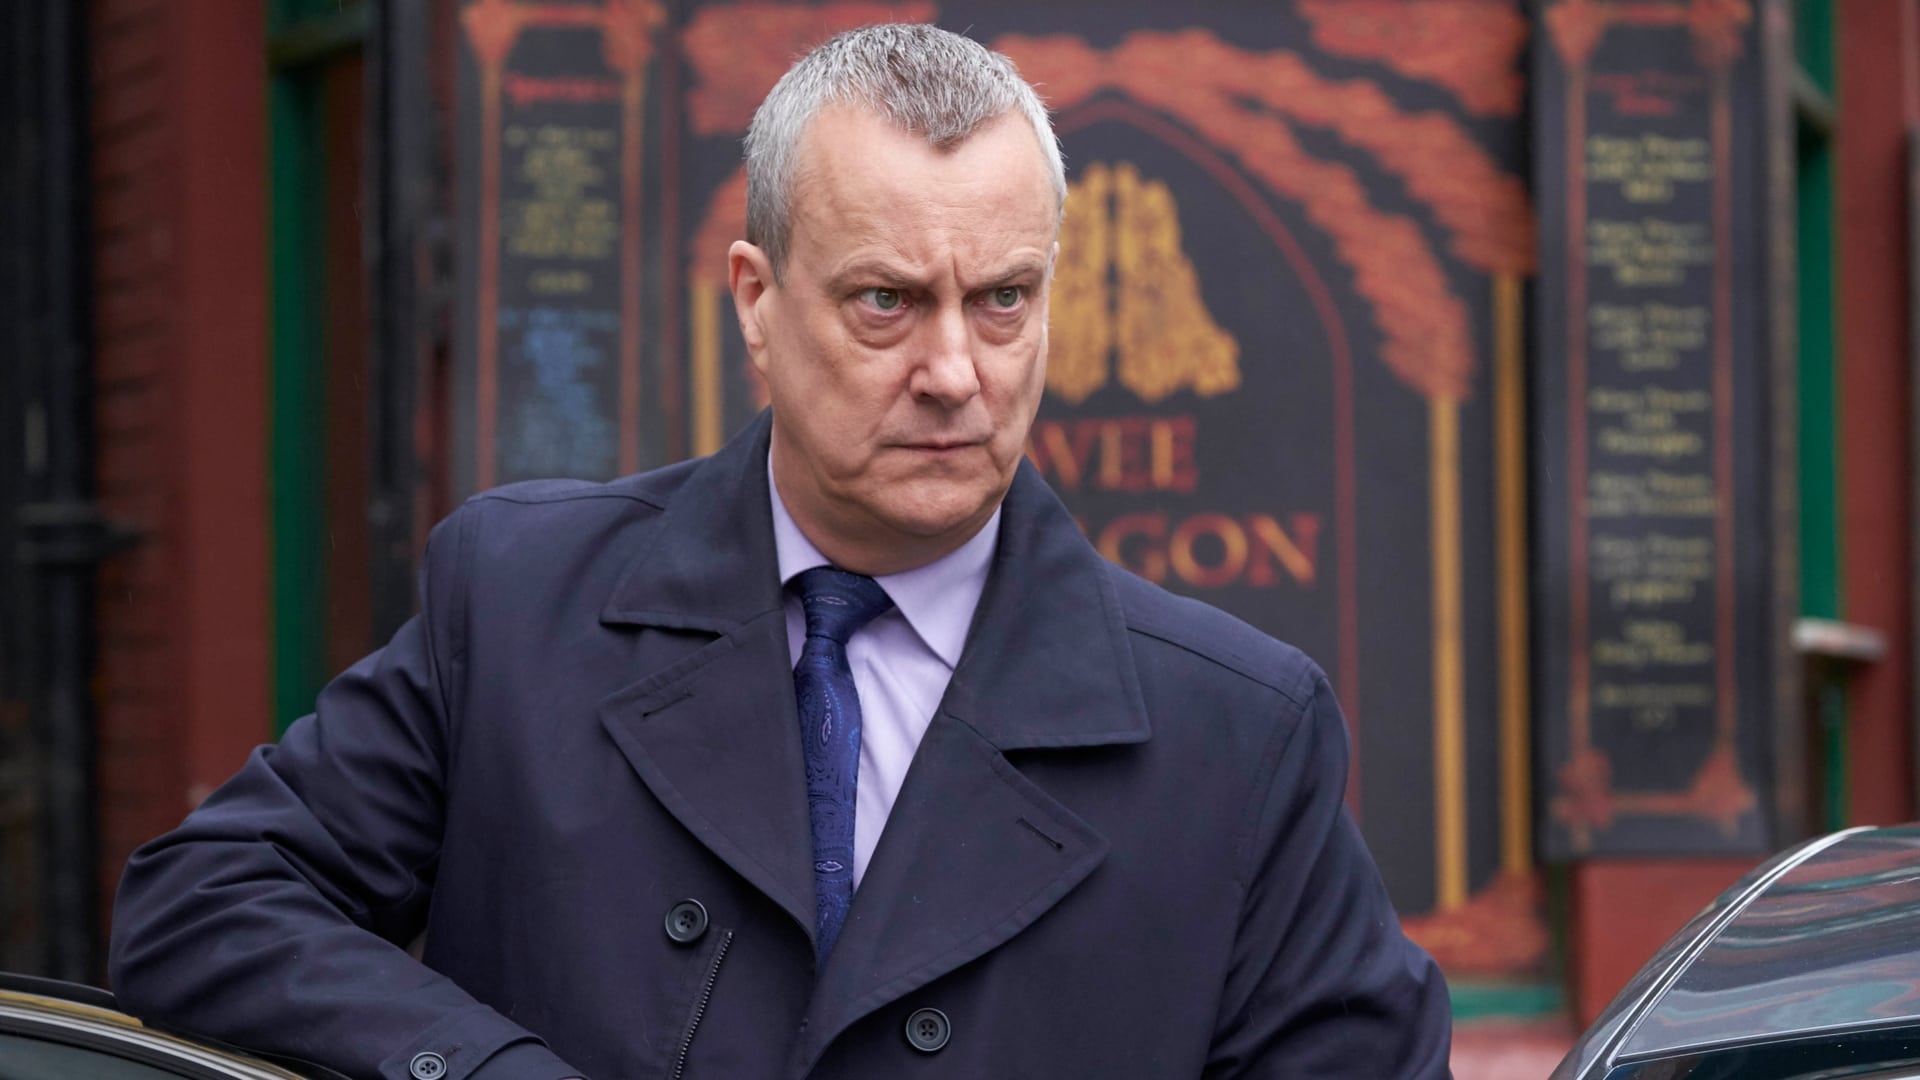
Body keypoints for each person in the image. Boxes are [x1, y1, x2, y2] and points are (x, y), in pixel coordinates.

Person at [109, 23, 1452, 1079]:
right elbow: (206, 903)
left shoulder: (1238, 729)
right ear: (757, 301)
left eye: (1003, 300)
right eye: (886, 302)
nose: (955, 371)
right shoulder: (521, 604)